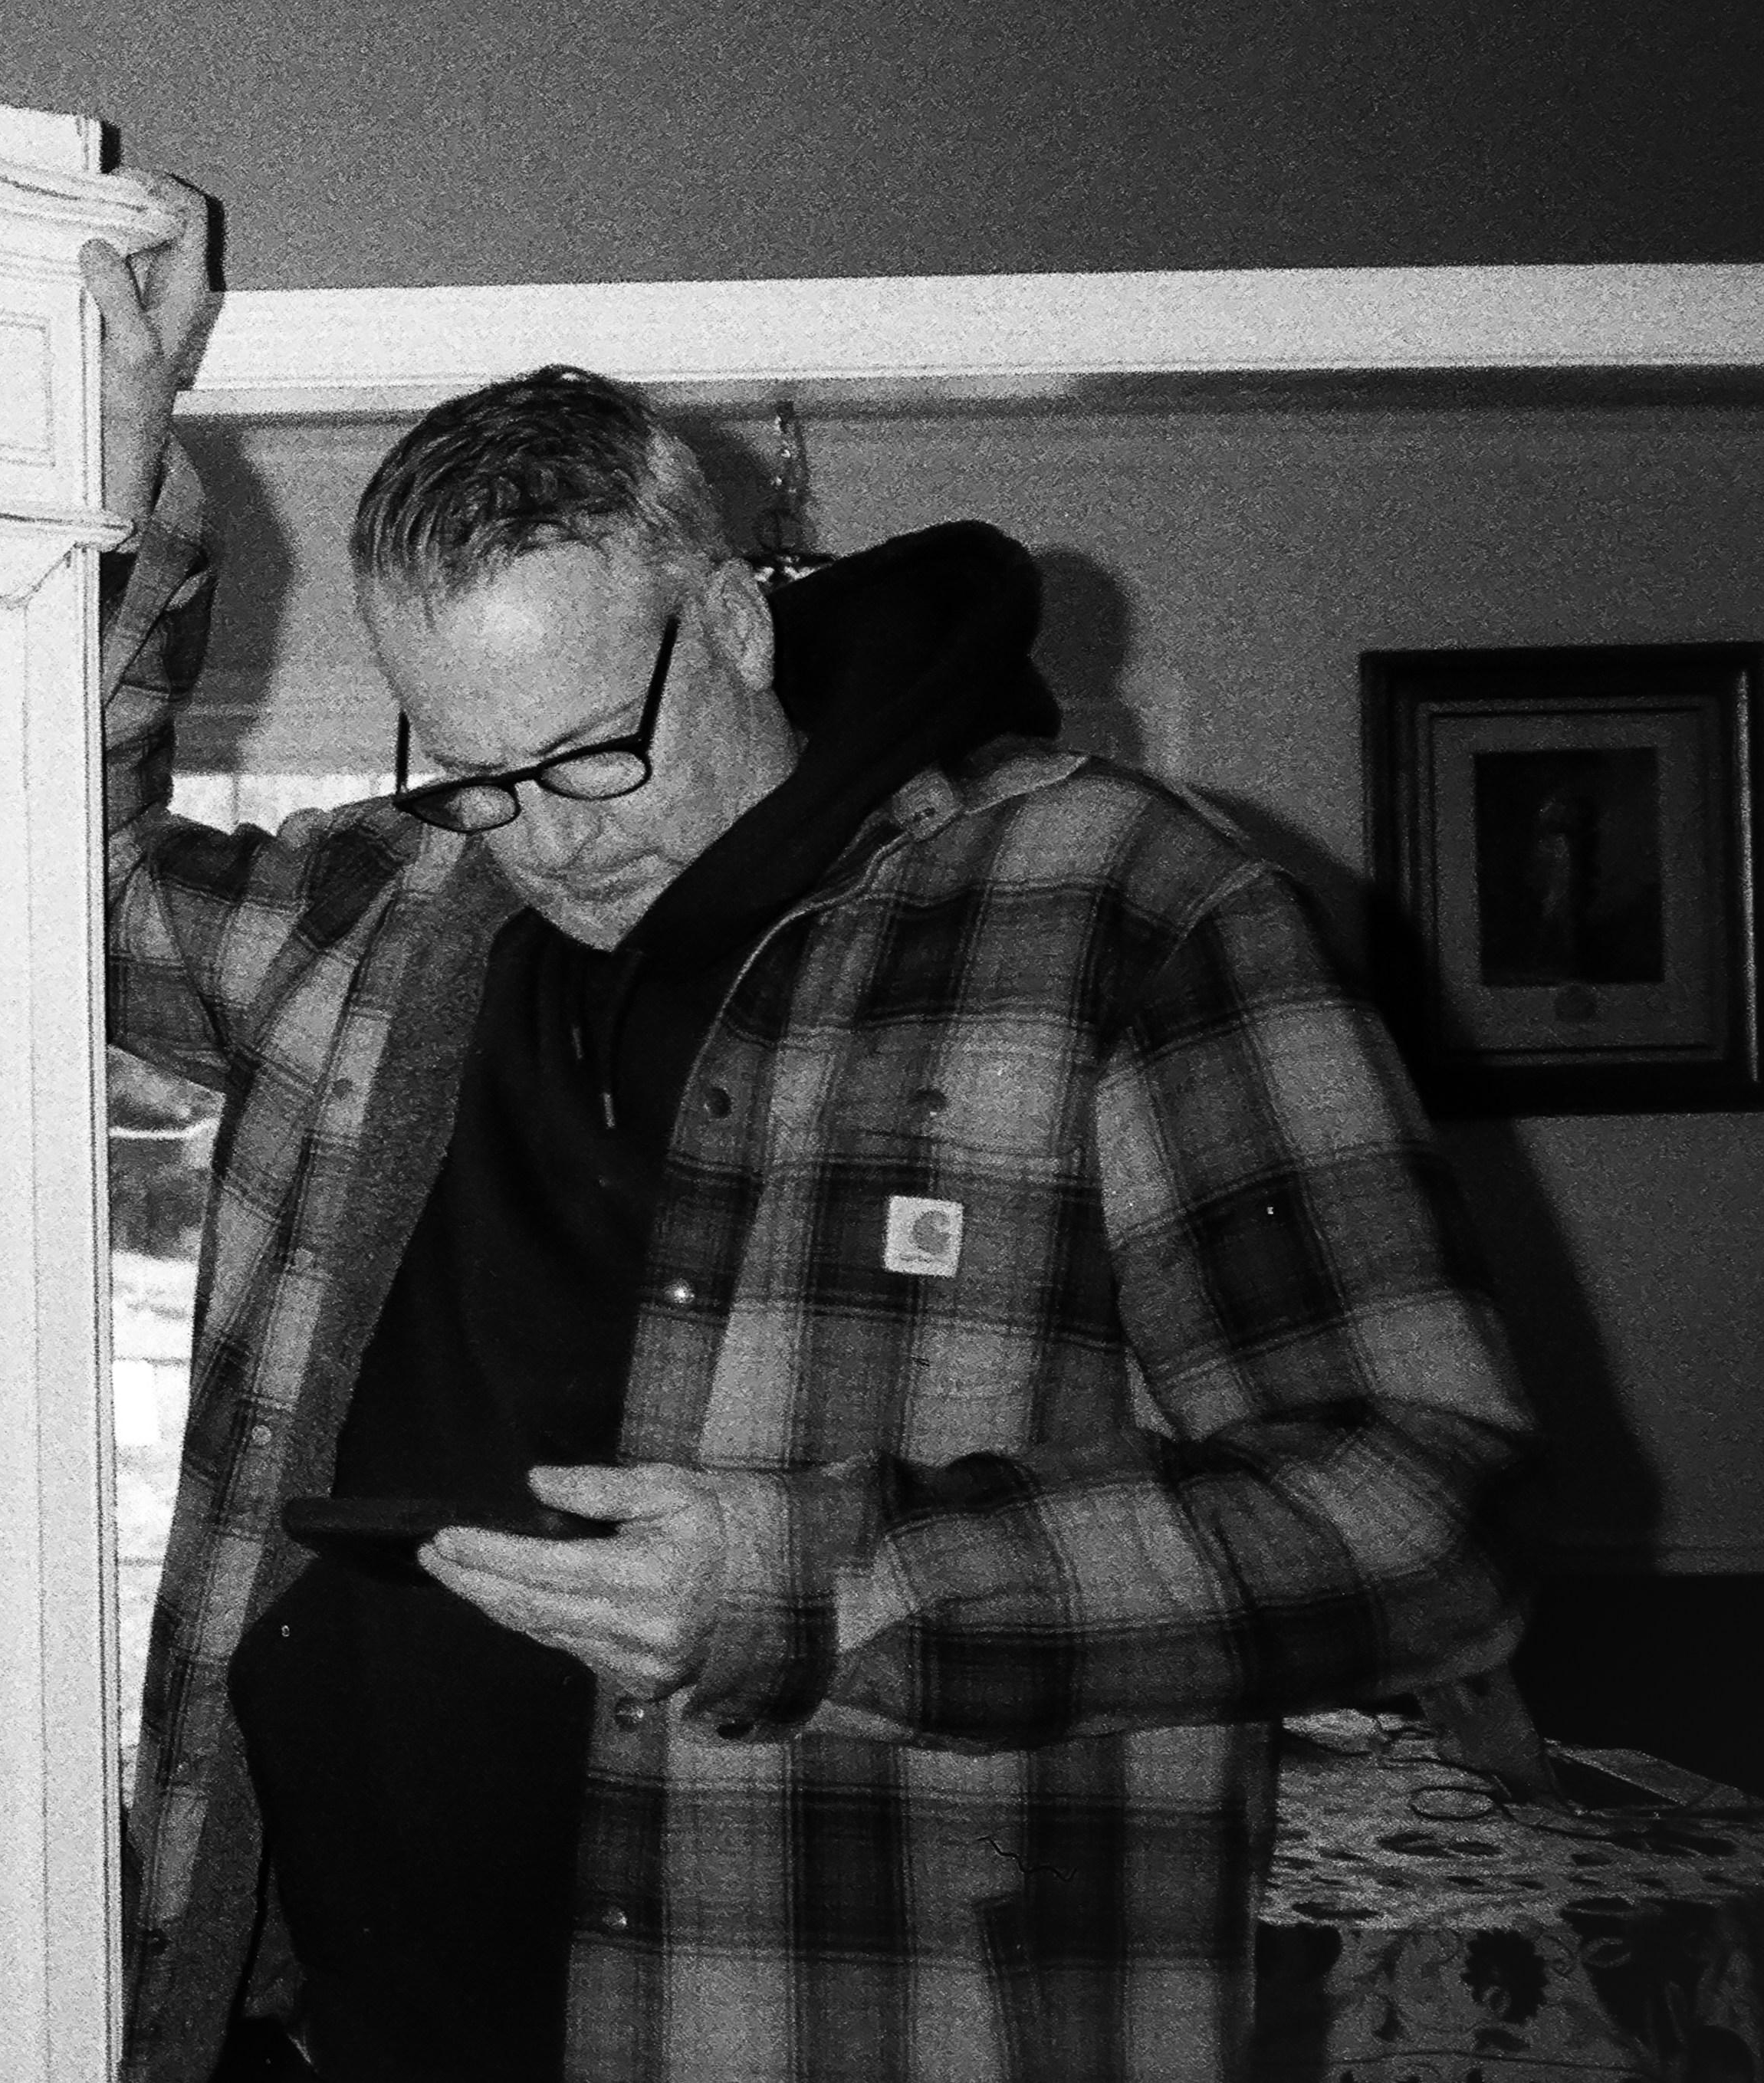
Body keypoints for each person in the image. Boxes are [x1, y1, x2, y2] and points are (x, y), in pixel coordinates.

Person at [83, 175, 1535, 2083]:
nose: (551, 839)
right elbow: (56, 883)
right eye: (478, 773)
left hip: (855, 2019)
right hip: (353, 2020)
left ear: (737, 626)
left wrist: (828, 1585)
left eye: (594, 751)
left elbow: (1427, 1512)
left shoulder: (1124, 906)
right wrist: (103, 481)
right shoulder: (390, 908)